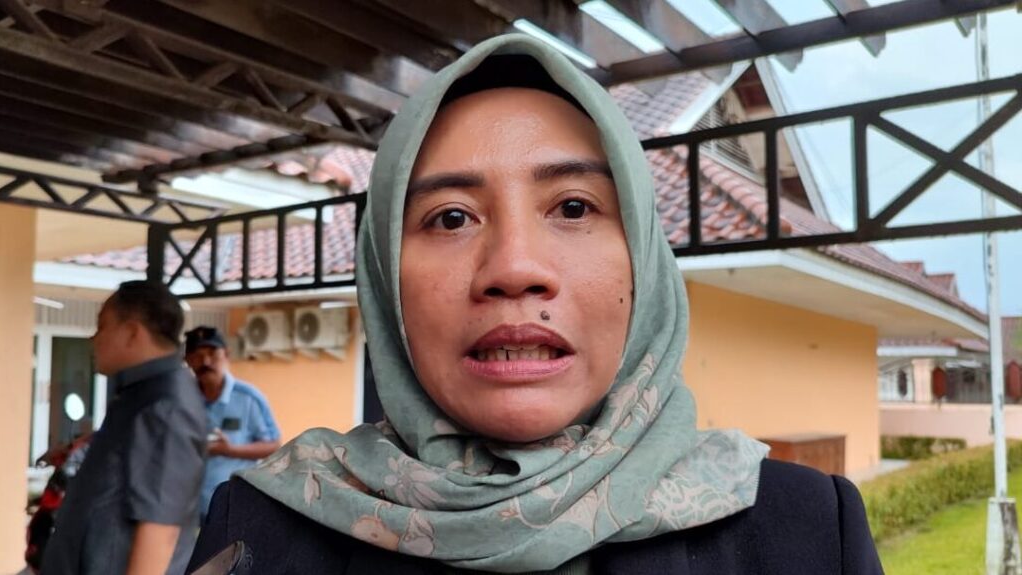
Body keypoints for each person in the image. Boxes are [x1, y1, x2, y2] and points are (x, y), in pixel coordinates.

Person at [187, 34, 883, 574]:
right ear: (384, 278)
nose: (514, 268)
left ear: (644, 261)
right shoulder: (259, 529)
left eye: (574, 207)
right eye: (451, 218)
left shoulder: (807, 529)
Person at [43, 281, 206, 575]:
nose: (94, 338)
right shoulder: (141, 395)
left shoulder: (166, 406)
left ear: (132, 332)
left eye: (102, 326)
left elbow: (160, 529)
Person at [183, 326, 281, 520]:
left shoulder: (248, 398)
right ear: (188, 361)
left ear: (226, 355)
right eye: (197, 356)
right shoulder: (181, 398)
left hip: (234, 507)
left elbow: (273, 445)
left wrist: (230, 450)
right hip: (187, 509)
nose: (205, 362)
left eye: (212, 354)